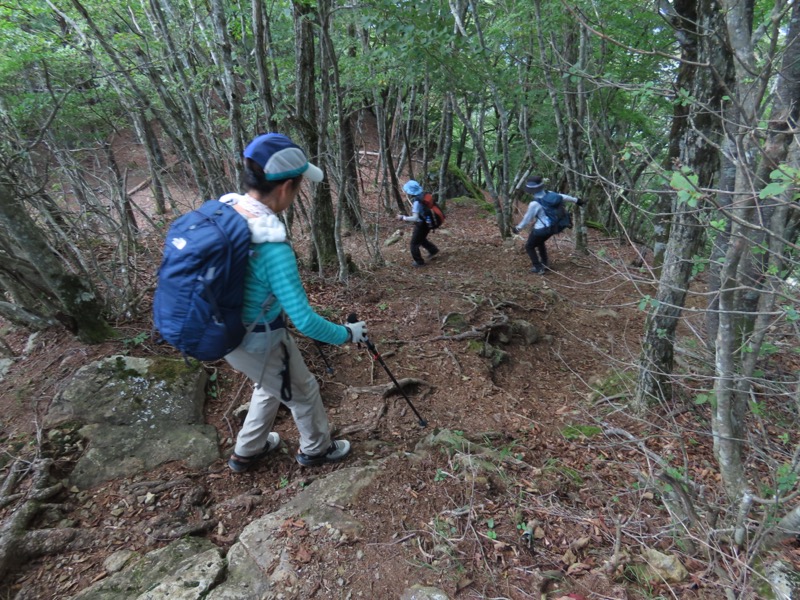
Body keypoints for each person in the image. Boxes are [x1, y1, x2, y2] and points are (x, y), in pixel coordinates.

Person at [220, 132, 368, 473]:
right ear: (286, 187)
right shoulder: (270, 246)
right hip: (259, 338)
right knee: (303, 391)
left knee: (271, 383)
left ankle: (248, 450)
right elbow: (305, 321)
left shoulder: (226, 210)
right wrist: (349, 335)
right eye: (300, 183)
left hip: (225, 332)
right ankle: (317, 449)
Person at [512, 176, 582, 274]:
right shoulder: (550, 194)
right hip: (554, 227)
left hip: (541, 229)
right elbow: (564, 197)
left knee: (529, 246)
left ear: (531, 190)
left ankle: (538, 267)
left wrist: (517, 228)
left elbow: (527, 219)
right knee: (540, 242)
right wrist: (577, 201)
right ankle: (545, 263)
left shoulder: (534, 204)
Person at [396, 179, 439, 267]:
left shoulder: (417, 202)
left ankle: (419, 262)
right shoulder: (424, 195)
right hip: (427, 222)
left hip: (422, 224)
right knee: (421, 239)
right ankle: (433, 250)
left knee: (414, 244)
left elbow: (415, 218)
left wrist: (402, 217)